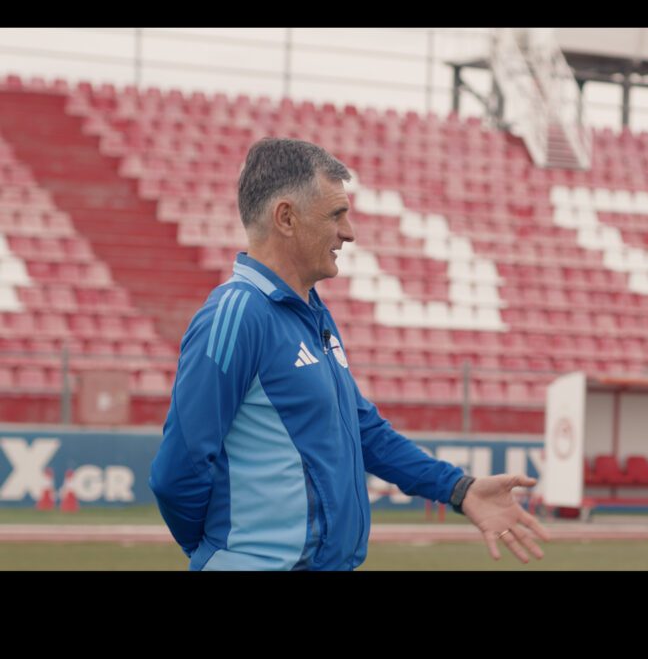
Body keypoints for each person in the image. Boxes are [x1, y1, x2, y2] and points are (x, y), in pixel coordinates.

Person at [149, 137, 549, 570]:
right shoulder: (236, 315)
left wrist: (458, 489)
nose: (349, 232)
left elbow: (364, 432)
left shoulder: (311, 312)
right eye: (336, 215)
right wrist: (226, 554)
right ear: (286, 217)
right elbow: (176, 474)